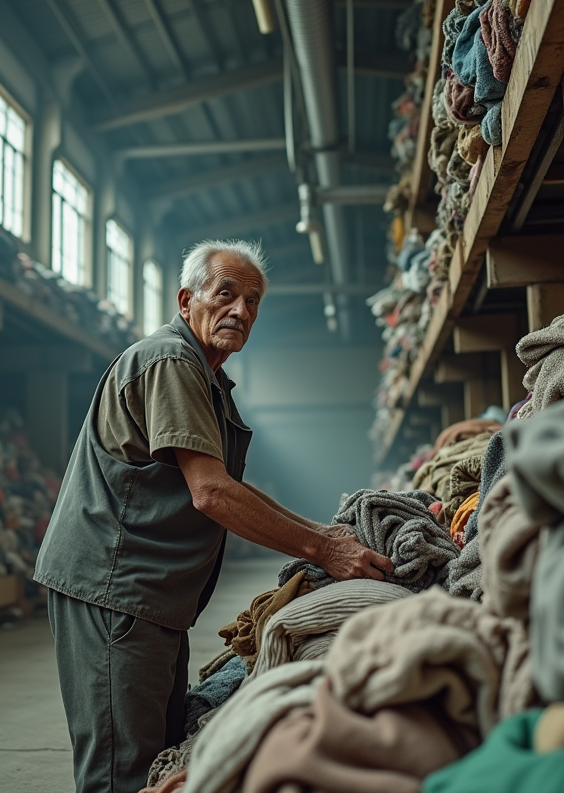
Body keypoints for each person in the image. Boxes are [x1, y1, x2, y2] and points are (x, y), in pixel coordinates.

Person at [34, 238, 393, 793]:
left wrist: (324, 532)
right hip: (114, 587)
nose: (241, 311)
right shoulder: (171, 361)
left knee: (156, 749)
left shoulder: (205, 375)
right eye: (225, 294)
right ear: (186, 300)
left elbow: (230, 486)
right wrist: (324, 550)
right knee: (121, 771)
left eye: (252, 301)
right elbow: (212, 495)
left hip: (148, 595)